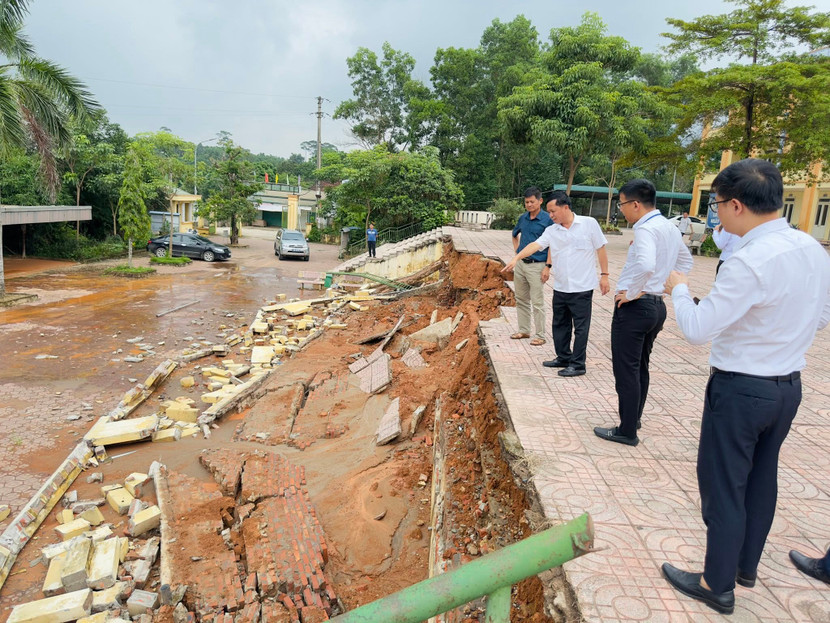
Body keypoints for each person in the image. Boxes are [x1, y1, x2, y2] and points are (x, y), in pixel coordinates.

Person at [661, 158, 830, 614]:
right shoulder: (813, 249)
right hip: (786, 387)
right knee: (761, 478)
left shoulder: (750, 261)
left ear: (736, 205)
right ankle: (744, 567)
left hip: (741, 391)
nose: (716, 215)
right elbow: (821, 316)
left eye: (717, 206)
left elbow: (697, 329)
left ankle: (716, 583)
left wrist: (679, 287)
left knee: (723, 486)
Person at [593, 179, 693, 446]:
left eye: (622, 204)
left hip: (636, 308)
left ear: (636, 204)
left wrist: (634, 292)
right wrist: (661, 282)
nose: (621, 210)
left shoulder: (646, 229)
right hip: (657, 307)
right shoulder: (669, 228)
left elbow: (647, 264)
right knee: (640, 366)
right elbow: (686, 261)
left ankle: (627, 430)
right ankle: (633, 418)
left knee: (626, 370)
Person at [501, 190, 610, 377]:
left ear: (565, 207)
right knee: (560, 325)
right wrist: (517, 257)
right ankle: (563, 357)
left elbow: (601, 249)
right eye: (549, 212)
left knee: (581, 327)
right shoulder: (552, 230)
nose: (550, 215)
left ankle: (578, 364)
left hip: (582, 287)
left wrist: (605, 275)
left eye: (553, 211)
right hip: (561, 287)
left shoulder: (589, 224)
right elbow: (535, 245)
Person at [509, 187, 553, 346]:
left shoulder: (548, 220)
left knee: (538, 301)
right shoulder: (523, 218)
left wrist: (548, 266)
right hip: (521, 265)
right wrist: (517, 254)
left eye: (532, 202)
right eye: (526, 202)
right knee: (521, 299)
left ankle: (540, 335)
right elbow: (514, 235)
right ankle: (524, 330)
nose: (529, 205)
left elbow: (552, 245)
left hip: (538, 265)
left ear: (540, 201)